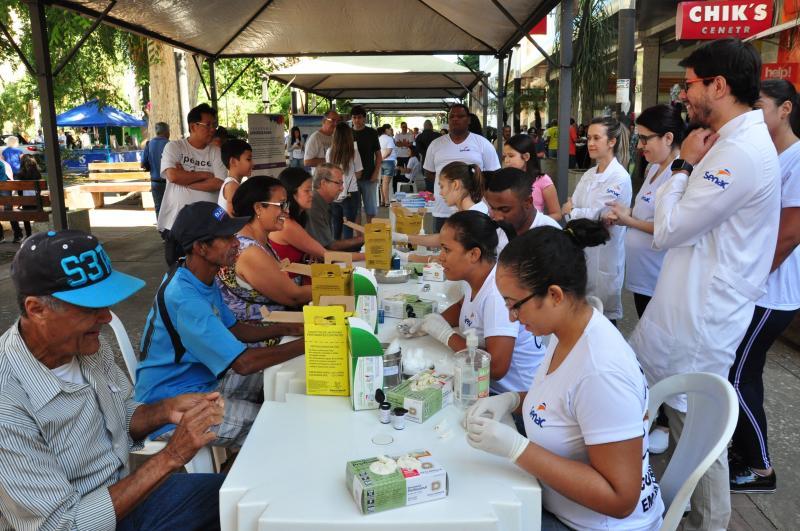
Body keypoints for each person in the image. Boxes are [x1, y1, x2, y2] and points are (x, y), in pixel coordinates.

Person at [628, 38, 780, 531]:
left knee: (694, 421)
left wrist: (680, 166)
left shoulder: (738, 153)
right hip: (686, 304)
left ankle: (710, 521)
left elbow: (669, 229)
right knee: (676, 413)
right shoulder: (730, 143)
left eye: (688, 84)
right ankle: (678, 508)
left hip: (702, 313)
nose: (682, 96)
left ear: (718, 85)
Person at [0, 230, 225, 530]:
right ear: (36, 309)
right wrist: (171, 456)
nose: (106, 317)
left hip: (126, 500)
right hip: (82, 522)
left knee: (243, 496)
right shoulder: (7, 402)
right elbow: (61, 525)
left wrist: (166, 410)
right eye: (91, 307)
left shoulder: (87, 347)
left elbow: (119, 415)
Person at [466, 220, 663, 531]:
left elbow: (621, 499)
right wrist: (511, 400)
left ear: (555, 295)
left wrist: (517, 449)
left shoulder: (601, 371)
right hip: (554, 501)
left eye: (514, 305)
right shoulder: (565, 330)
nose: (510, 317)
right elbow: (560, 400)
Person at [135, 201, 305, 448]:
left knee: (281, 380)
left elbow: (235, 329)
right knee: (276, 423)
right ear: (201, 247)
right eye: (227, 238)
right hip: (173, 408)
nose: (236, 243)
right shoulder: (184, 297)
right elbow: (244, 363)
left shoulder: (200, 277)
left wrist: (288, 329)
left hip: (206, 382)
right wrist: (311, 344)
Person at [728, 79, 800, 494]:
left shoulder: (796, 159)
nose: (754, 115)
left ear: (785, 109)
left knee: (738, 375)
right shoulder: (768, 155)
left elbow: (789, 235)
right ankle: (745, 453)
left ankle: (760, 469)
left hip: (772, 293)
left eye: (760, 106)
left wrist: (750, 279)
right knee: (742, 372)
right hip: (756, 288)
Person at [399, 210, 546, 399]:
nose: (440, 257)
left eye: (447, 249)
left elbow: (496, 367)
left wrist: (446, 335)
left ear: (474, 254)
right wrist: (428, 323)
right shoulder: (477, 278)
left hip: (511, 399)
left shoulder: (496, 295)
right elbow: (463, 307)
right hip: (483, 384)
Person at [606, 104, 684, 319]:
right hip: (643, 277)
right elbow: (647, 211)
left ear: (668, 138)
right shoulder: (653, 167)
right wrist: (628, 212)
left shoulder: (680, 173)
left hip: (658, 279)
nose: (640, 145)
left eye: (645, 138)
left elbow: (668, 227)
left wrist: (628, 221)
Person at [561, 116, 631, 324]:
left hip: (605, 258)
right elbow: (572, 209)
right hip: (582, 254)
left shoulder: (620, 177)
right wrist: (578, 212)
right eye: (588, 137)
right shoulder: (589, 173)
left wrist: (575, 212)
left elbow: (597, 215)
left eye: (596, 138)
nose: (590, 143)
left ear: (611, 142)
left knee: (604, 320)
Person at [218, 176, 312, 320]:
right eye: (281, 205)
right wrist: (336, 286)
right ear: (258, 208)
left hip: (278, 326)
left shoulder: (258, 242)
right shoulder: (249, 251)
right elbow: (293, 296)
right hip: (264, 336)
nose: (286, 211)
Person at [424, 104, 501, 233]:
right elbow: (429, 173)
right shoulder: (436, 144)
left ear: (469, 120)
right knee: (442, 248)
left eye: (460, 116)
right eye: (452, 116)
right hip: (442, 210)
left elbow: (494, 175)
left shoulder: (482, 143)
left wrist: (472, 185)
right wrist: (447, 185)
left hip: (473, 210)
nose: (455, 119)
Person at [269, 167, 364, 265]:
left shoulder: (297, 217)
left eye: (311, 190)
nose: (311, 194)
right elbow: (326, 255)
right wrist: (368, 256)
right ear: (292, 194)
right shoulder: (288, 224)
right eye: (307, 191)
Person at [157, 103, 226, 233]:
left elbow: (219, 183)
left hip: (209, 224)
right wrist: (205, 175)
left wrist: (185, 179)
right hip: (176, 224)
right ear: (193, 126)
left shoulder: (216, 152)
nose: (213, 129)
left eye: (214, 125)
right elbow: (173, 176)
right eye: (208, 125)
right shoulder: (174, 147)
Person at [304, 163, 365, 252]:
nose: (342, 188)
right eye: (338, 183)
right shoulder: (313, 205)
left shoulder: (324, 202)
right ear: (323, 183)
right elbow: (329, 246)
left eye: (342, 183)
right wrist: (363, 239)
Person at [485, 167, 561, 237]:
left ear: (528, 202)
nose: (497, 218)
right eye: (492, 208)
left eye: (505, 210)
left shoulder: (552, 235)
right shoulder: (494, 230)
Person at [503, 134, 561, 221]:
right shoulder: (504, 179)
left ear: (526, 157)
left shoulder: (543, 180)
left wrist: (536, 223)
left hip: (535, 233)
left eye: (511, 156)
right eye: (505, 156)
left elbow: (557, 214)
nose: (506, 160)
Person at [326, 122, 363, 239]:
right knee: (348, 227)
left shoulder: (329, 152)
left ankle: (335, 255)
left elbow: (328, 172)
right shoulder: (354, 152)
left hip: (334, 193)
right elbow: (359, 173)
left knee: (335, 226)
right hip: (351, 193)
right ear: (349, 136)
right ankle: (349, 255)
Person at [350, 105, 382, 223]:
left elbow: (379, 156)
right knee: (355, 210)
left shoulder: (372, 133)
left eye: (359, 117)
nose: (357, 120)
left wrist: (375, 174)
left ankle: (370, 236)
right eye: (354, 117)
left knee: (371, 209)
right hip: (352, 178)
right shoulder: (347, 133)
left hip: (369, 177)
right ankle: (358, 238)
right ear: (351, 119)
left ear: (364, 118)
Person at [217, 138, 253, 215]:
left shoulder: (228, 184)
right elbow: (234, 217)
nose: (253, 163)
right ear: (233, 161)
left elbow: (218, 214)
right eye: (248, 159)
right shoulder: (232, 186)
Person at [142, 121, 170, 217]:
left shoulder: (149, 144)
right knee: (170, 207)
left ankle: (161, 229)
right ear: (166, 132)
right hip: (169, 182)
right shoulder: (170, 144)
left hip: (155, 182)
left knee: (158, 207)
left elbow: (142, 164)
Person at [379, 124, 397, 206]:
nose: (391, 130)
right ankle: (386, 201)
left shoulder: (379, 139)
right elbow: (389, 151)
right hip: (389, 162)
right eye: (390, 129)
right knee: (386, 183)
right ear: (386, 130)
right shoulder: (389, 139)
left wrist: (380, 159)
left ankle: (383, 200)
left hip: (381, 162)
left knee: (383, 183)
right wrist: (382, 158)